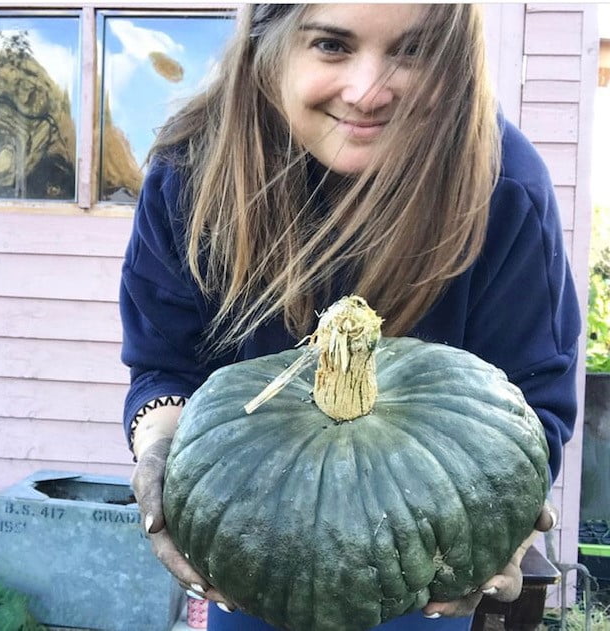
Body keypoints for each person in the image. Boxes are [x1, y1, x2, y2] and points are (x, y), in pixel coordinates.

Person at [120, 4, 580, 630]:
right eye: (332, 46)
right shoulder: (190, 176)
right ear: (269, 45)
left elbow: (533, 400)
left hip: (421, 578)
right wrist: (159, 447)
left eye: (412, 52)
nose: (368, 92)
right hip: (252, 556)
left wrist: (497, 524)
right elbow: (166, 365)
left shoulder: (500, 188)